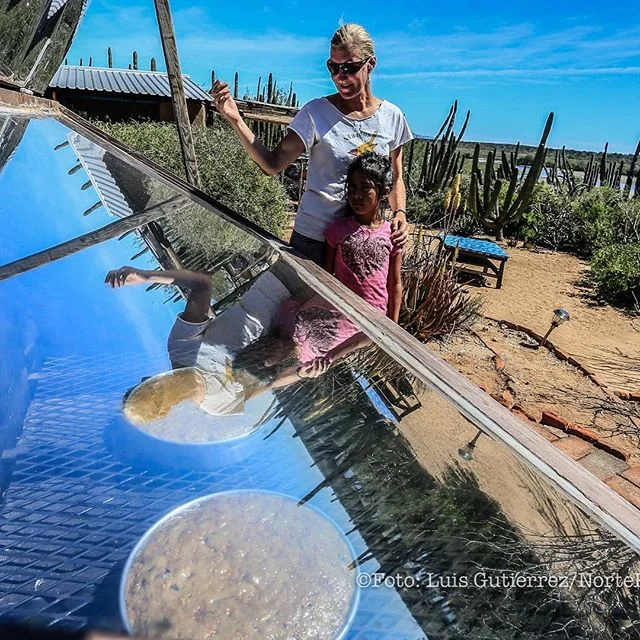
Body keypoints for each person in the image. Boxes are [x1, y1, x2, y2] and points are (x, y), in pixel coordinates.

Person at [212, 23, 413, 265]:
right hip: (313, 241)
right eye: (333, 67)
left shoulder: (392, 116)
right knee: (301, 303)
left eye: (349, 67)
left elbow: (396, 177)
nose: (340, 76)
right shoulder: (315, 113)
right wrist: (235, 120)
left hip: (362, 240)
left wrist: (400, 212)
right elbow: (272, 164)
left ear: (370, 65)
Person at [324, 151, 403, 323]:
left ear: (384, 192)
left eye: (365, 187)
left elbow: (395, 284)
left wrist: (394, 328)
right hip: (340, 316)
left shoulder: (392, 234)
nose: (356, 194)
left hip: (375, 322)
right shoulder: (337, 230)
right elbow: (327, 277)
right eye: (352, 187)